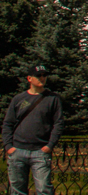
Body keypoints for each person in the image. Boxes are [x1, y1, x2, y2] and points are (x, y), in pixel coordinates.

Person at [2, 65, 63, 195]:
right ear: (29, 78)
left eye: (44, 75)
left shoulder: (53, 99)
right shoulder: (18, 99)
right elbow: (7, 123)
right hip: (18, 151)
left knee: (44, 190)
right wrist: (9, 147)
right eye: (38, 75)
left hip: (40, 152)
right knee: (17, 191)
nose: (42, 78)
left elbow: (58, 124)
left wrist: (49, 146)